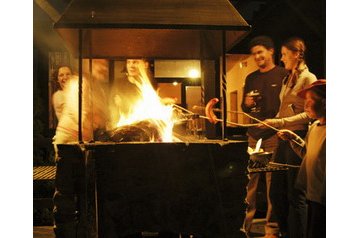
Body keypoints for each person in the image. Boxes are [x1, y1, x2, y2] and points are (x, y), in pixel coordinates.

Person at [262, 37, 317, 238]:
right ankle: (285, 232)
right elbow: (283, 110)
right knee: (276, 192)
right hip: (283, 137)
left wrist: (280, 123)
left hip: (298, 136)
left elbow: (308, 113)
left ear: (296, 54)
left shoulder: (308, 78)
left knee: (296, 194)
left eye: (285, 54)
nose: (282, 58)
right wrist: (272, 121)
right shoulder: (287, 78)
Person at [52, 59, 109, 237]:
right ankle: (65, 233)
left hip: (81, 142)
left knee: (85, 190)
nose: (104, 69)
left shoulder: (93, 87)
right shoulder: (79, 83)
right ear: (88, 66)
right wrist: (95, 122)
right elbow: (80, 114)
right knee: (66, 193)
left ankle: (85, 231)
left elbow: (99, 115)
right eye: (100, 65)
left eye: (105, 66)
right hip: (68, 142)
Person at [240, 36, 287, 237]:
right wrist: (247, 105)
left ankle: (272, 229)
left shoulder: (284, 74)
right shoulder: (251, 77)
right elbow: (244, 106)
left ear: (271, 52)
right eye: (254, 54)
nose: (257, 56)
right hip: (254, 136)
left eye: (260, 52)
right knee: (249, 183)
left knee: (272, 185)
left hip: (274, 136)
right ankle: (244, 226)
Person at [276, 80, 326, 238]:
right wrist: (293, 138)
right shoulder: (314, 127)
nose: (306, 105)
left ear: (325, 102)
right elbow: (307, 153)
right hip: (313, 195)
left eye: (310, 100)